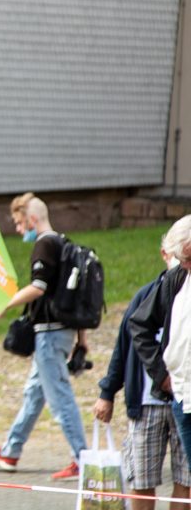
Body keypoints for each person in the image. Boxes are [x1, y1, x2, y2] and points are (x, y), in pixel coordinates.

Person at [0, 193, 88, 481]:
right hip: (60, 332)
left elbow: (38, 287)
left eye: (18, 222)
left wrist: (7, 303)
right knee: (33, 394)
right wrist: (82, 340)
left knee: (60, 397)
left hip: (50, 335)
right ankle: (11, 450)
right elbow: (75, 298)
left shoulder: (44, 243)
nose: (18, 229)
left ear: (32, 219)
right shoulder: (65, 243)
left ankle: (82, 458)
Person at [94, 241, 190, 510]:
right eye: (176, 255)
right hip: (147, 404)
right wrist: (107, 392)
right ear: (164, 255)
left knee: (186, 480)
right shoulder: (145, 295)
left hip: (185, 400)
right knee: (142, 479)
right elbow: (123, 348)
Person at [130, 214, 191, 473]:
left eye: (188, 258)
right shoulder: (176, 278)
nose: (186, 265)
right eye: (183, 259)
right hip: (181, 397)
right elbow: (139, 324)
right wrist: (160, 373)